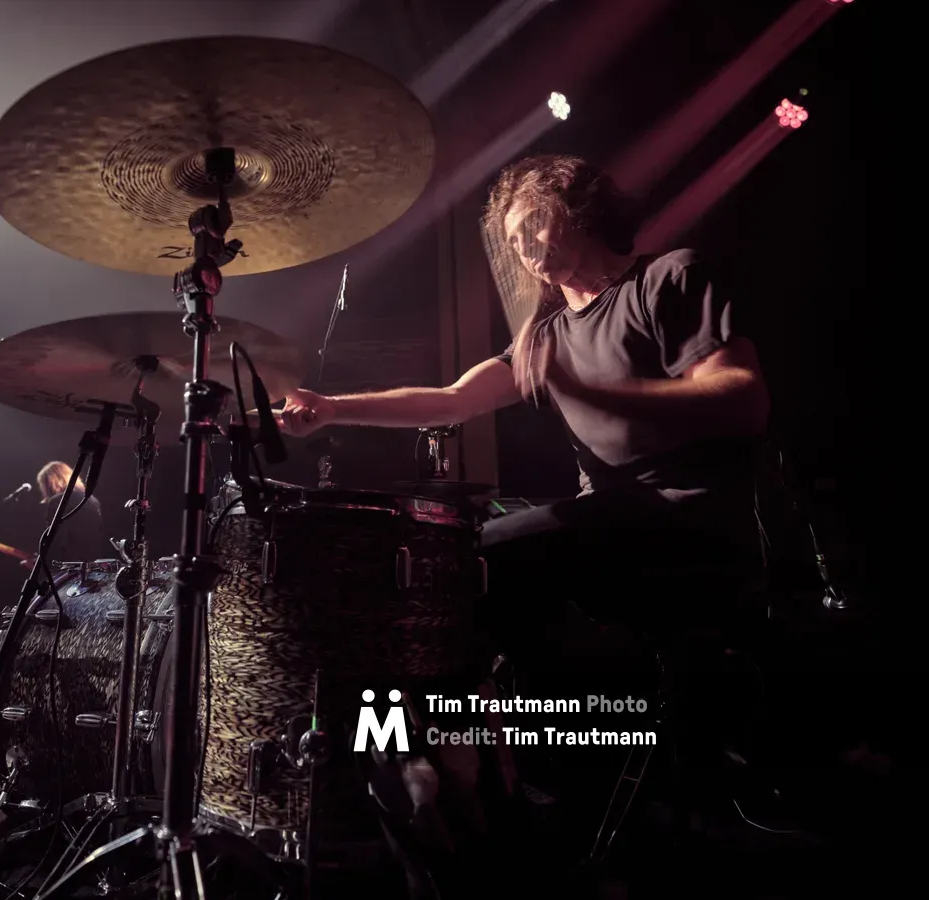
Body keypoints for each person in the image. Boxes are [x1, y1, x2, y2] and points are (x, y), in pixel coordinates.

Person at [279, 153, 771, 636]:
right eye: (513, 243)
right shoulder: (544, 336)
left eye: (533, 226)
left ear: (578, 211)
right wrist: (331, 409)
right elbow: (453, 400)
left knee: (481, 558)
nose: (526, 250)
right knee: (457, 575)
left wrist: (589, 391)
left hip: (686, 517)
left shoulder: (667, 278)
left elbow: (742, 399)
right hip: (604, 523)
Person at [35, 460, 110, 563]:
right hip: (93, 565)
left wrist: (39, 562)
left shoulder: (57, 501)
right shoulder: (92, 500)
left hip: (69, 567)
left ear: (49, 483)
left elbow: (55, 542)